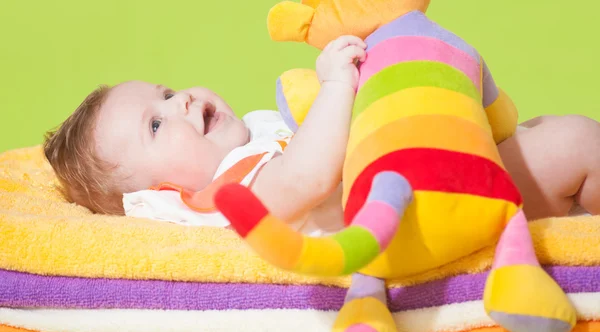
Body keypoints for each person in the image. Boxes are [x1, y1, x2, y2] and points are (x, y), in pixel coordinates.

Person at [43, 35, 600, 233]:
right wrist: (337, 85)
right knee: (576, 142)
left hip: (429, 166)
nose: (180, 99)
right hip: (432, 203)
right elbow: (309, 178)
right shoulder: (233, 196)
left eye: (165, 92)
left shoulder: (263, 139)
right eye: (157, 124)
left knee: (552, 132)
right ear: (156, 199)